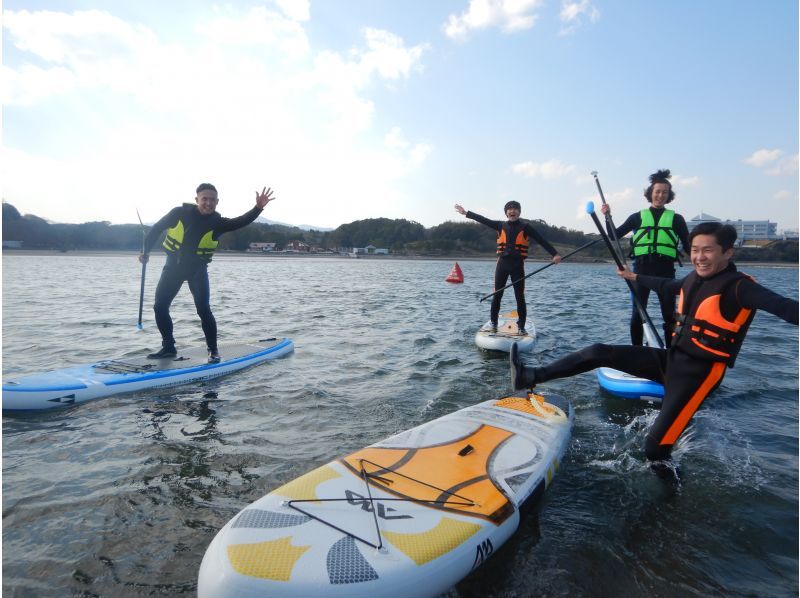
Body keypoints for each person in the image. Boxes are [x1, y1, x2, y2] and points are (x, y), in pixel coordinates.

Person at [510, 222, 798, 468]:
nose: (699, 257)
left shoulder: (740, 287)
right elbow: (666, 286)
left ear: (728, 252)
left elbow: (785, 307)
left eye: (707, 250)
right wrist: (634, 277)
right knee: (599, 351)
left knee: (655, 450)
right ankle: (531, 375)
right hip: (671, 359)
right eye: (695, 250)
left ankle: (670, 507)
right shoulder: (693, 278)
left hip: (698, 376)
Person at [139, 183, 275, 362]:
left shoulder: (217, 223)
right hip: (173, 268)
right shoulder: (178, 213)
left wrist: (258, 208)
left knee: (203, 310)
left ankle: (213, 350)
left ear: (217, 202)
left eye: (212, 200)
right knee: (159, 307)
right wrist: (146, 251)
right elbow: (156, 228)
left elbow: (240, 221)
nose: (208, 203)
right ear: (197, 200)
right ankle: (168, 347)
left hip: (197, 271)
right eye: (205, 199)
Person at [601, 169, 690, 347]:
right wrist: (607, 216)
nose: (661, 195)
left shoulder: (677, 219)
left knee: (669, 315)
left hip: (665, 271)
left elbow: (689, 246)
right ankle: (637, 352)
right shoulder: (637, 217)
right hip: (641, 270)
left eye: (665, 192)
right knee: (638, 315)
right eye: (657, 191)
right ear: (650, 193)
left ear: (669, 195)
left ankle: (671, 354)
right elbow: (613, 235)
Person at [455, 201, 561, 334]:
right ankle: (494, 323)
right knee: (497, 295)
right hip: (502, 265)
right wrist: (466, 213)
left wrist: (555, 254)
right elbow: (483, 220)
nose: (512, 211)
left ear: (519, 212)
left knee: (519, 297)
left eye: (515, 209)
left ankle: (521, 326)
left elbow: (541, 240)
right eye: (509, 209)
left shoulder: (526, 227)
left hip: (517, 266)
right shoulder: (500, 225)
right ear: (506, 213)